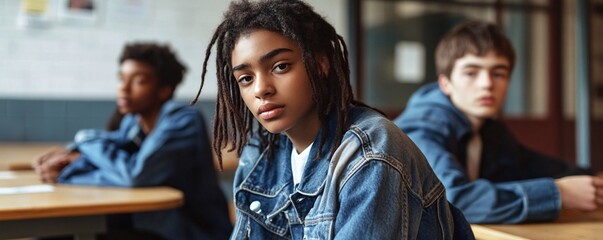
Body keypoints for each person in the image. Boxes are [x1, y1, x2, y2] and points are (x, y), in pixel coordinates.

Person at [192, 0, 474, 239]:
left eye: (280, 66)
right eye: (245, 78)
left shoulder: (371, 153)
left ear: (321, 63)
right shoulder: (260, 153)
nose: (260, 89)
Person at [394, 20, 603, 224]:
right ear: (445, 83)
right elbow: (454, 199)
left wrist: (593, 180)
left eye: (498, 73)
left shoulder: (489, 131)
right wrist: (559, 193)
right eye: (471, 73)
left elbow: (536, 166)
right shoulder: (422, 129)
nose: (487, 84)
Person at [32, 42, 233, 239]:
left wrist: (82, 146)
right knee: (51, 233)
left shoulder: (184, 121)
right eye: (121, 79)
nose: (123, 89)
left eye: (139, 81)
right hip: (149, 223)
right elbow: (113, 162)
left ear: (164, 90)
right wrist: (66, 164)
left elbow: (134, 176)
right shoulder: (133, 123)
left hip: (190, 231)